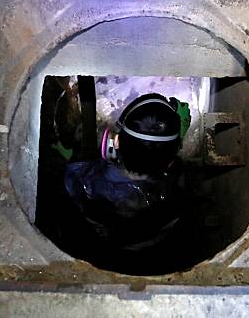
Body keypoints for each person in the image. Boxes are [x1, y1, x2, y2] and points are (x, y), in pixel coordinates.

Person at [63, 93, 188, 252]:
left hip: (97, 248)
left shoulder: (83, 181)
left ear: (115, 142)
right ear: (171, 161)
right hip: (152, 251)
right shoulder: (177, 192)